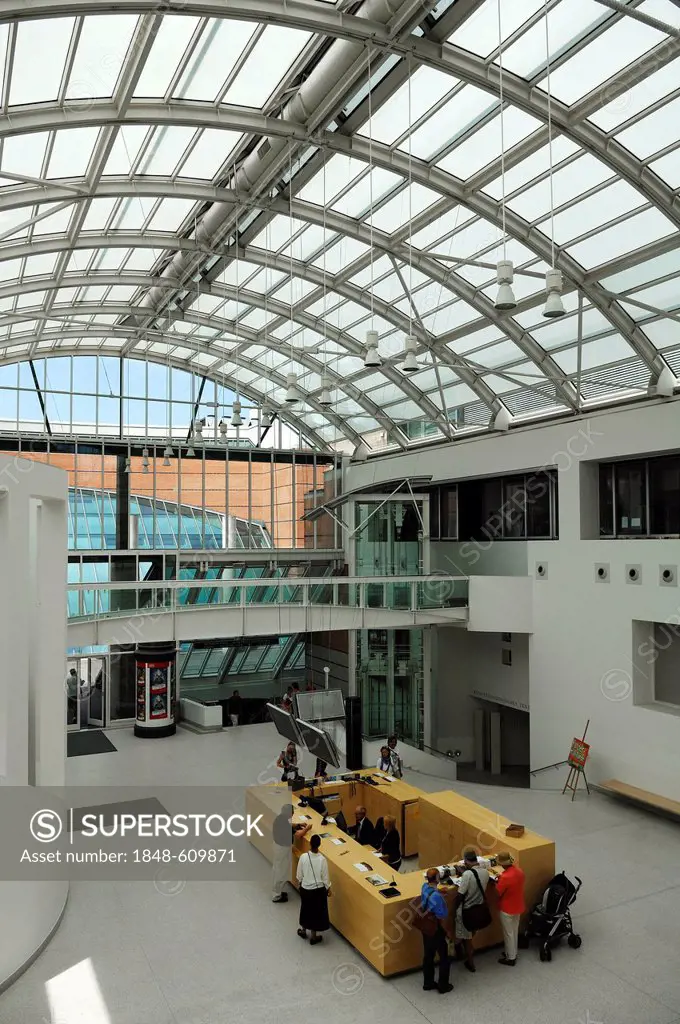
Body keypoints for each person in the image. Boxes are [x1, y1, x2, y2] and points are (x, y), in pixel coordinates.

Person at [453, 848, 490, 973]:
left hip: (466, 911)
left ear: (465, 861)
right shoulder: (485, 872)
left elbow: (460, 895)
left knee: (467, 939)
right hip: (478, 909)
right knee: (471, 933)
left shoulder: (467, 875)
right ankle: (462, 949)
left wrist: (454, 910)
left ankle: (470, 962)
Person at [420, 868, 454, 994]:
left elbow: (430, 894)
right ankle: (443, 985)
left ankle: (428, 982)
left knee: (428, 955)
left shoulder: (424, 887)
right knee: (445, 956)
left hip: (426, 927)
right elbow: (441, 919)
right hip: (437, 929)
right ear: (438, 879)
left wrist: (438, 891)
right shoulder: (438, 898)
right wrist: (448, 932)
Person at [272, 804, 311, 903]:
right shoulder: (284, 823)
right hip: (282, 848)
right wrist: (307, 829)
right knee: (280, 870)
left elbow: (290, 825)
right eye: (292, 812)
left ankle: (279, 891)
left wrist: (298, 825)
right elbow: (298, 835)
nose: (293, 813)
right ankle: (277, 895)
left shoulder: (280, 818)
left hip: (279, 846)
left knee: (281, 868)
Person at [296, 834, 331, 944]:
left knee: (305, 909)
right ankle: (313, 936)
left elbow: (299, 874)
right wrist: (328, 888)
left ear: (310, 843)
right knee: (316, 912)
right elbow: (325, 878)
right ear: (319, 845)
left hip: (305, 888)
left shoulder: (303, 857)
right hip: (318, 891)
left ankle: (303, 930)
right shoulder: (322, 860)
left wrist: (300, 883)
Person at [495, 851, 526, 966]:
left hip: (507, 908)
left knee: (508, 933)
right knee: (514, 930)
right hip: (518, 905)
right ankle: (513, 952)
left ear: (503, 864)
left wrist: (498, 881)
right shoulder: (519, 871)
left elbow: (498, 892)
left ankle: (510, 957)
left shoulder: (505, 877)